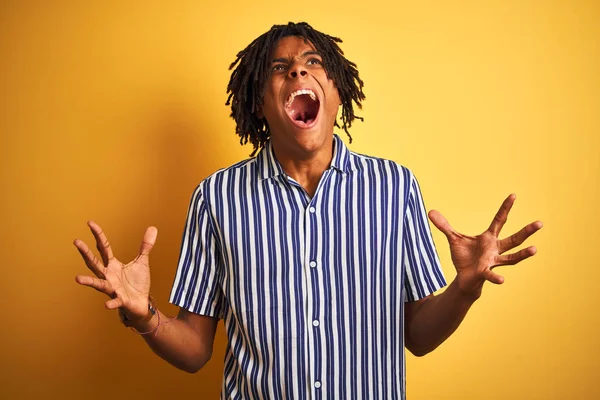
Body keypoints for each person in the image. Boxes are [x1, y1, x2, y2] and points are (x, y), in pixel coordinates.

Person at [74, 22, 542, 399]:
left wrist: (464, 290)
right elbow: (195, 350)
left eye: (313, 63)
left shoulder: (395, 187)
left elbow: (417, 336)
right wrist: (144, 316)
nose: (298, 73)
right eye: (281, 68)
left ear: (337, 92)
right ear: (260, 105)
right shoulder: (215, 198)